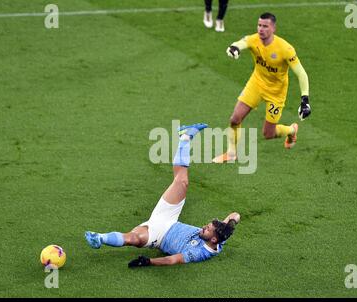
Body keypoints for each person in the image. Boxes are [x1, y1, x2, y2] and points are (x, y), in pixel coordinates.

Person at [85, 123, 241, 267]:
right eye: (206, 226)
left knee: (133, 239)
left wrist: (148, 261)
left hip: (158, 236)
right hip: (169, 218)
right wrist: (230, 222)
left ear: (213, 239)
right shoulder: (220, 237)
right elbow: (236, 214)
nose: (202, 228)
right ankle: (185, 136)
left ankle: (99, 237)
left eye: (206, 229)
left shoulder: (199, 253)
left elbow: (172, 260)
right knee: (182, 182)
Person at [212, 12, 312, 163]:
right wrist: (234, 48)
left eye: (265, 26)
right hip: (257, 84)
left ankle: (291, 130)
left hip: (276, 93)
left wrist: (305, 99)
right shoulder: (253, 40)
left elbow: (301, 73)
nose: (261, 29)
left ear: (273, 28)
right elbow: (241, 43)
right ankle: (231, 154)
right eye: (259, 25)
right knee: (235, 119)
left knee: (268, 134)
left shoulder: (285, 49)